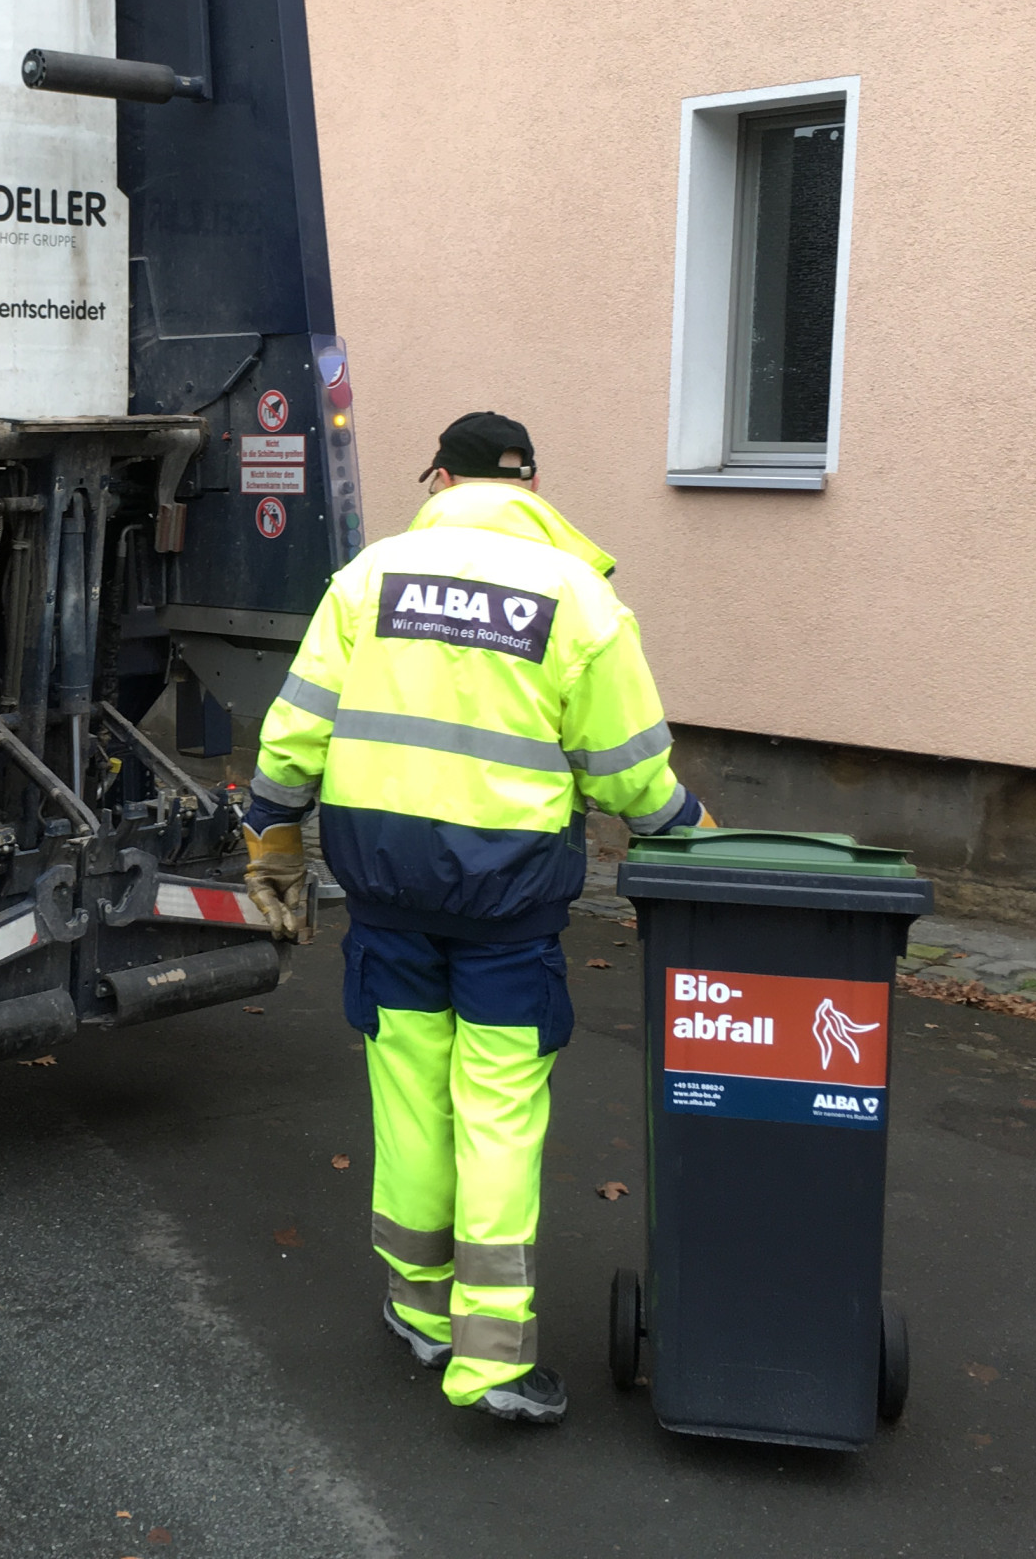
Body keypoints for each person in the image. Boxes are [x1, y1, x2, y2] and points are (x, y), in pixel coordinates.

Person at [241, 412, 709, 1426]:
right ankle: (491, 1360)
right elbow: (630, 773)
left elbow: (296, 728)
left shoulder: (369, 578)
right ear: (532, 485)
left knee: (409, 1101)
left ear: (442, 478)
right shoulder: (580, 600)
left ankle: (419, 1312)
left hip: (386, 899)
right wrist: (699, 840)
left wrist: (272, 840)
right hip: (505, 909)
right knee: (495, 1113)